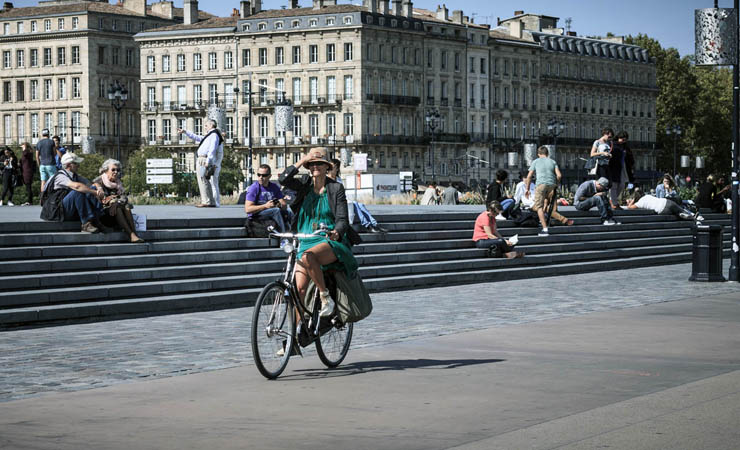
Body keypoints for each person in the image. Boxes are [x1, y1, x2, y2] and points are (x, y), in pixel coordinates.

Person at [278, 147, 360, 318]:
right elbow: (283, 178)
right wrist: (303, 160)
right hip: (305, 238)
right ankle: (296, 339)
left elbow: (342, 219)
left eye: (319, 164)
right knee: (298, 289)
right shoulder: (304, 184)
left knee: (308, 257)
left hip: (328, 240)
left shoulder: (335, 188)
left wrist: (337, 232)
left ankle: (325, 297)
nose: (315, 167)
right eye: (312, 164)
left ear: (327, 167)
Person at [41, 152, 108, 233]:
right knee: (78, 192)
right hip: (56, 211)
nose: (78, 166)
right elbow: (77, 186)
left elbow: (91, 184)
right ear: (69, 165)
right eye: (76, 163)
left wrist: (99, 188)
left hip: (66, 208)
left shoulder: (74, 175)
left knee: (89, 189)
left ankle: (98, 219)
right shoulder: (60, 176)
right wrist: (95, 192)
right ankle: (86, 224)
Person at [525, 146, 574, 237]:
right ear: (547, 153)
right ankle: (557, 221)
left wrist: (527, 189)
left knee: (539, 207)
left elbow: (529, 176)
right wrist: (556, 184)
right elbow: (559, 175)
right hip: (552, 185)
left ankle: (545, 229)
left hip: (541, 185)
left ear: (538, 154)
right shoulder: (553, 161)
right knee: (550, 206)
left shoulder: (535, 161)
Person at [328, 158, 386, 233]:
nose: (333, 169)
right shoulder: (328, 179)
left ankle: (374, 224)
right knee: (355, 204)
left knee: (360, 204)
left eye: (335, 167)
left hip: (342, 199)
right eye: (332, 167)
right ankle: (368, 226)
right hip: (335, 202)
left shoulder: (338, 179)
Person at [92, 159, 144, 243]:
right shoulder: (98, 183)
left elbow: (124, 198)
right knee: (118, 208)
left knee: (126, 207)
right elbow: (102, 199)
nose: (116, 172)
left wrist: (117, 202)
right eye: (113, 170)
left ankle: (134, 233)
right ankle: (131, 234)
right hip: (103, 215)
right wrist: (114, 201)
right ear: (106, 170)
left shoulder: (118, 183)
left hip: (115, 212)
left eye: (118, 170)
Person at [178, 119, 223, 208]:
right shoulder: (210, 135)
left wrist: (208, 161)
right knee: (205, 180)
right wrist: (185, 132)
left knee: (202, 180)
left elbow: (212, 148)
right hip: (203, 158)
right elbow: (197, 137)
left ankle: (206, 201)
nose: (205, 127)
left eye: (206, 125)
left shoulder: (214, 135)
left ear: (211, 125)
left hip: (203, 159)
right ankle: (211, 201)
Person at [244, 164, 293, 236]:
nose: (261, 177)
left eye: (264, 175)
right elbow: (248, 209)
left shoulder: (274, 187)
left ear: (270, 176)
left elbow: (284, 206)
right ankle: (283, 237)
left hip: (270, 211)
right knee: (276, 211)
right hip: (257, 214)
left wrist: (279, 204)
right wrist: (266, 206)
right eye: (259, 175)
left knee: (289, 212)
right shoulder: (254, 188)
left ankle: (296, 235)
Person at [627, 189, 703, 222]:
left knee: (674, 212)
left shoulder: (639, 203)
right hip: (665, 202)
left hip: (661, 210)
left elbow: (629, 208)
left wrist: (632, 201)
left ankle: (680, 214)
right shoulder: (647, 196)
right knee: (680, 209)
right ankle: (693, 215)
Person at [608, 131, 634, 209]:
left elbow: (630, 157)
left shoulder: (625, 147)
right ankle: (614, 203)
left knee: (622, 185)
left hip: (623, 167)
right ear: (618, 138)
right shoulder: (613, 144)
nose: (623, 141)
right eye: (622, 139)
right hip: (614, 167)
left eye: (625, 139)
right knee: (614, 185)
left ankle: (612, 200)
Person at [35, 128, 58, 195]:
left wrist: (39, 165)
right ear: (48, 134)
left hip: (42, 165)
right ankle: (52, 196)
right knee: (53, 181)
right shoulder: (51, 142)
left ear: (42, 134)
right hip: (51, 164)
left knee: (43, 181)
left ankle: (42, 197)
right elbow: (55, 153)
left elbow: (37, 156)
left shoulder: (39, 143)